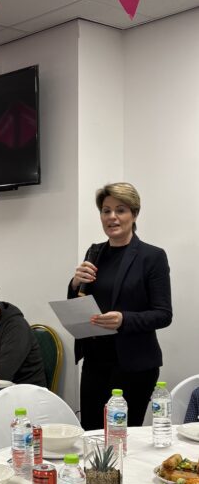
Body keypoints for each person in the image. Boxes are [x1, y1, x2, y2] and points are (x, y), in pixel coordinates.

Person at [68, 182, 172, 429]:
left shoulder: (152, 257)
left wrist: (124, 319)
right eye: (106, 210)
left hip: (134, 365)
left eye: (121, 210)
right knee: (91, 436)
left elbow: (163, 314)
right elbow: (79, 302)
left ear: (134, 214)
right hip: (95, 362)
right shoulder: (94, 252)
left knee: (123, 440)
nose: (112, 217)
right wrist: (74, 284)